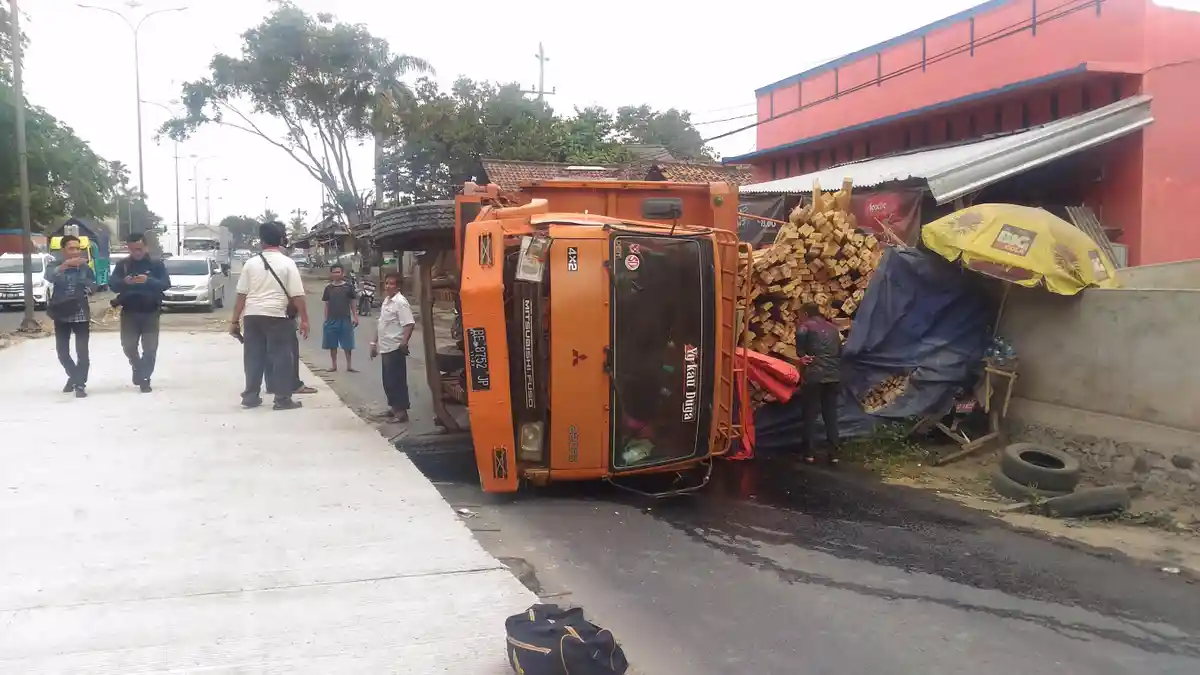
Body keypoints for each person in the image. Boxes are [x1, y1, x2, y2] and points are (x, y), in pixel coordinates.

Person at [229, 222, 309, 411]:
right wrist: (305, 319)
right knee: (281, 357)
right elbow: (298, 296)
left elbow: (241, 295)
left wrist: (234, 321)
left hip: (252, 316)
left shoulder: (250, 263)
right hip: (277, 316)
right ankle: (282, 399)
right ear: (281, 240)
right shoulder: (287, 263)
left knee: (253, 357)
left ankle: (251, 396)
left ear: (261, 241)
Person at [109, 232, 170, 392]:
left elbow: (165, 284)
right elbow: (113, 284)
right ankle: (137, 367)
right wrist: (125, 281)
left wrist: (148, 280)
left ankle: (145, 378)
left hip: (150, 311)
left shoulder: (156, 265)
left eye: (139, 248)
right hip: (129, 311)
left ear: (146, 247)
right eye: (132, 249)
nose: (136, 252)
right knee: (128, 346)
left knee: (149, 349)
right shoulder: (123, 265)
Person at [44, 234, 96, 398]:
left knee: (82, 351)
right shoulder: (55, 264)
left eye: (78, 248)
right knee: (62, 352)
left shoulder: (85, 267)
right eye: (71, 248)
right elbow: (49, 277)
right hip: (61, 313)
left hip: (80, 312)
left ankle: (80, 384)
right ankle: (74, 376)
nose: (75, 252)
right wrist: (65, 266)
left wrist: (87, 289)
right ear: (63, 250)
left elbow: (94, 284)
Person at [795, 302, 842, 465]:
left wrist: (802, 357)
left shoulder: (804, 327)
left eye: (800, 314)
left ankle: (809, 454)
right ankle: (834, 454)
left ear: (806, 314)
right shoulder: (833, 328)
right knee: (831, 415)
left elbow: (801, 352)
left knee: (810, 415)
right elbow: (839, 351)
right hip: (834, 376)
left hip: (814, 376)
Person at [370, 272, 415, 422]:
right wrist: (373, 343)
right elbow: (381, 323)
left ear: (398, 286)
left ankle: (401, 412)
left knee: (396, 381)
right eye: (386, 283)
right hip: (385, 347)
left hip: (395, 347)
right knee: (388, 381)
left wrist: (404, 342)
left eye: (391, 284)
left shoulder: (400, 302)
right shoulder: (387, 301)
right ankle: (394, 408)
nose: (388, 286)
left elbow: (409, 324)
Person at [321, 263, 359, 372]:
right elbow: (326, 304)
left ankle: (349, 365)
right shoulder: (328, 288)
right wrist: (326, 320)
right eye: (334, 272)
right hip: (332, 319)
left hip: (345, 319)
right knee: (332, 344)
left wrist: (355, 316)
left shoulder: (348, 287)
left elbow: (352, 303)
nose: (336, 274)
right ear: (331, 274)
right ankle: (334, 365)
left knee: (348, 344)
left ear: (342, 273)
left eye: (338, 272)